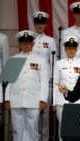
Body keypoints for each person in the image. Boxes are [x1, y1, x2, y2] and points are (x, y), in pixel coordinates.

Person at [5, 30, 50, 141]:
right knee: (17, 129)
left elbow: (44, 82)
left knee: (33, 129)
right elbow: (8, 82)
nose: (26, 45)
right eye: (23, 42)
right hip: (16, 99)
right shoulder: (13, 60)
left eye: (28, 42)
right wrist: (7, 99)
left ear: (33, 44)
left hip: (34, 100)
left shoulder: (40, 60)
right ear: (19, 44)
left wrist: (43, 99)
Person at [53, 35, 80, 141]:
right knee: (63, 127)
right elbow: (56, 83)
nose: (70, 50)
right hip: (61, 100)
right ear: (65, 49)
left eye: (73, 48)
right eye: (68, 48)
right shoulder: (59, 64)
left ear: (76, 49)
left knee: (78, 127)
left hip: (78, 101)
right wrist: (54, 103)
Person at [32, 11, 57, 141]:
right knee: (33, 114)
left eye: (42, 23)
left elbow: (53, 62)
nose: (40, 25)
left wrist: (52, 81)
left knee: (45, 114)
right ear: (34, 24)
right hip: (32, 80)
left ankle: (45, 138)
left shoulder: (50, 40)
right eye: (37, 23)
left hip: (46, 80)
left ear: (46, 24)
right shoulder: (29, 39)